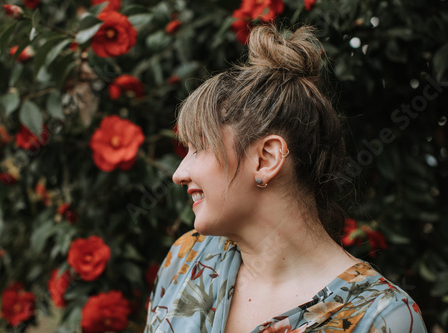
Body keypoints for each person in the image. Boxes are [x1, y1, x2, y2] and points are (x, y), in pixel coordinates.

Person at [144, 25, 427, 333]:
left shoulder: (380, 318)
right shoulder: (188, 259)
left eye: (199, 148)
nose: (178, 174)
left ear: (266, 159)